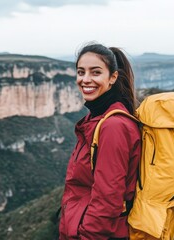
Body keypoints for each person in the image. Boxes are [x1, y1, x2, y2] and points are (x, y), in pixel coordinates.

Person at [58, 43, 141, 240]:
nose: (85, 79)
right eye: (81, 72)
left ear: (112, 77)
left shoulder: (113, 126)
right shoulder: (96, 119)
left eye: (95, 73)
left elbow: (108, 200)